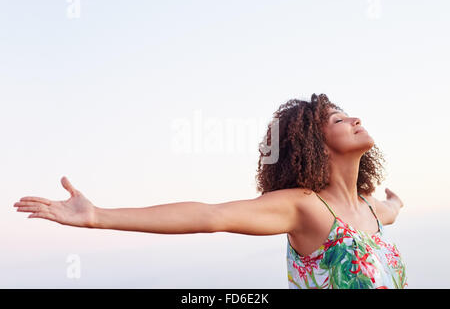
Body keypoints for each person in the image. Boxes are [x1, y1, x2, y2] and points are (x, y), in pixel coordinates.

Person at [13, 93, 407, 289]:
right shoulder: (306, 208)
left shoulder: (369, 210)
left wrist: (394, 202)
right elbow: (210, 215)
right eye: (338, 119)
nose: (354, 118)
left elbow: (390, 210)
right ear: (313, 144)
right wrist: (98, 217)